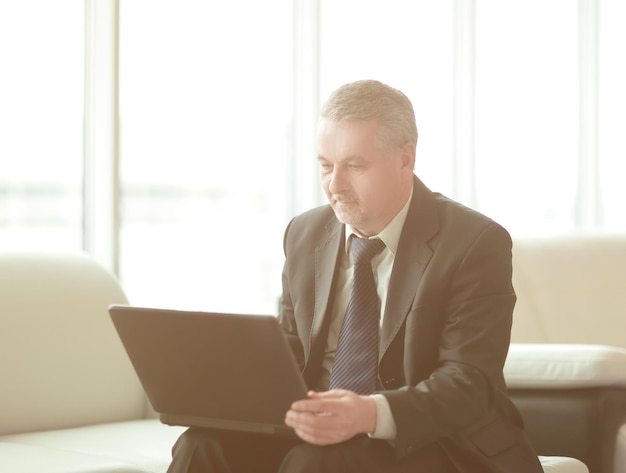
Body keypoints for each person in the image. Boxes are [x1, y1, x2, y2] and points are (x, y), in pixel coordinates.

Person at [166, 80, 543, 473]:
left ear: (405, 160)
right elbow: (293, 349)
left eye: (354, 166)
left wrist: (367, 414)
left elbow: (469, 383)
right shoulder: (304, 234)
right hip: (320, 433)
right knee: (200, 445)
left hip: (433, 440)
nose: (334, 185)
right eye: (326, 166)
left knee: (320, 462)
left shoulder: (474, 243)